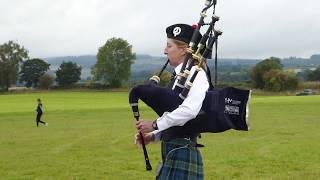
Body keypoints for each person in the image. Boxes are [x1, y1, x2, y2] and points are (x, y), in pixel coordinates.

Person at [135, 24, 209, 180]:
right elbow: (174, 113)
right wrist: (153, 135)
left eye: (169, 46)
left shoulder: (196, 74)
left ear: (183, 49)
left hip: (183, 150)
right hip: (172, 149)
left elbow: (189, 111)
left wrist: (155, 124)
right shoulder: (179, 77)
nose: (165, 51)